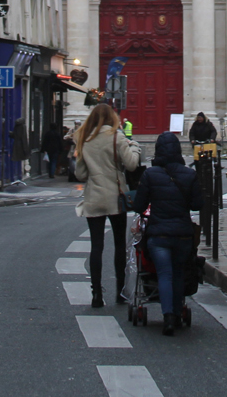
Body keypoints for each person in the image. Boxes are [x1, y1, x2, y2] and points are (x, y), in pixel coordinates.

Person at [129, 131, 204, 335]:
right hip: (182, 234)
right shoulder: (189, 174)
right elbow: (198, 204)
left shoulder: (151, 174)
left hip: (158, 235)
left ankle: (168, 316)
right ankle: (177, 312)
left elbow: (139, 206)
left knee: (164, 273)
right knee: (178, 273)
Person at [75, 103, 140, 308]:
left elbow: (81, 174)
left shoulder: (86, 139)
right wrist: (134, 147)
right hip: (115, 197)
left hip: (94, 196)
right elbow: (131, 164)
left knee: (96, 246)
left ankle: (96, 294)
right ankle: (120, 292)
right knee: (119, 244)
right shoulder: (116, 136)